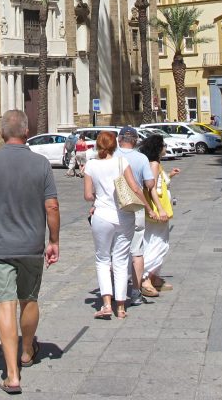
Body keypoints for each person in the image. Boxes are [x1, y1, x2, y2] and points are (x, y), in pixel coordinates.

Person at [0, 110, 59, 395]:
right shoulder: (41, 164)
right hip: (32, 246)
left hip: (0, 247)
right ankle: (27, 350)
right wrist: (54, 240)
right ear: (27, 132)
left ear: (2, 134)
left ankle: (12, 375)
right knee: (29, 299)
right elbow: (52, 206)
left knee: (6, 305)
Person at [83, 131, 143, 320]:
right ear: (115, 145)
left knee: (102, 259)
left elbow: (87, 196)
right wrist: (149, 208)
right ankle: (121, 307)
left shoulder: (91, 165)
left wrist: (97, 198)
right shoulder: (121, 162)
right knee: (121, 260)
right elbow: (134, 187)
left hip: (101, 215)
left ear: (98, 146)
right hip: (124, 216)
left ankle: (106, 304)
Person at [115, 126, 155, 306]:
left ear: (119, 139)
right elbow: (149, 183)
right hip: (136, 207)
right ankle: (136, 292)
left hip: (113, 209)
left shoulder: (110, 157)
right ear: (136, 140)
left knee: (115, 251)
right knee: (136, 251)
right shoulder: (141, 158)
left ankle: (115, 292)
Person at [138, 135, 180, 297]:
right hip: (157, 211)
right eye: (163, 145)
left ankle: (153, 277)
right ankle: (145, 277)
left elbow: (160, 184)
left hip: (158, 210)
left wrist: (170, 175)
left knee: (157, 241)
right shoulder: (154, 164)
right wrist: (160, 209)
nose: (165, 147)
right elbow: (151, 188)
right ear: (157, 148)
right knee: (158, 243)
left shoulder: (156, 165)